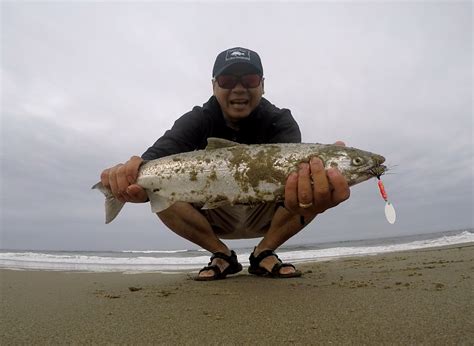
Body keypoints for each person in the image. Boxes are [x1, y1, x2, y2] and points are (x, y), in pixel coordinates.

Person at [100, 47, 350, 280]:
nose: (239, 88)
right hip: (211, 214)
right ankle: (221, 254)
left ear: (263, 85)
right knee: (160, 191)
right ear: (214, 86)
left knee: (311, 187)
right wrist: (129, 176)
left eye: (250, 80)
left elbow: (293, 187)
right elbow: (154, 158)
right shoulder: (197, 119)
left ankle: (264, 252)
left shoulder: (280, 120)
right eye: (227, 81)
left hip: (266, 211)